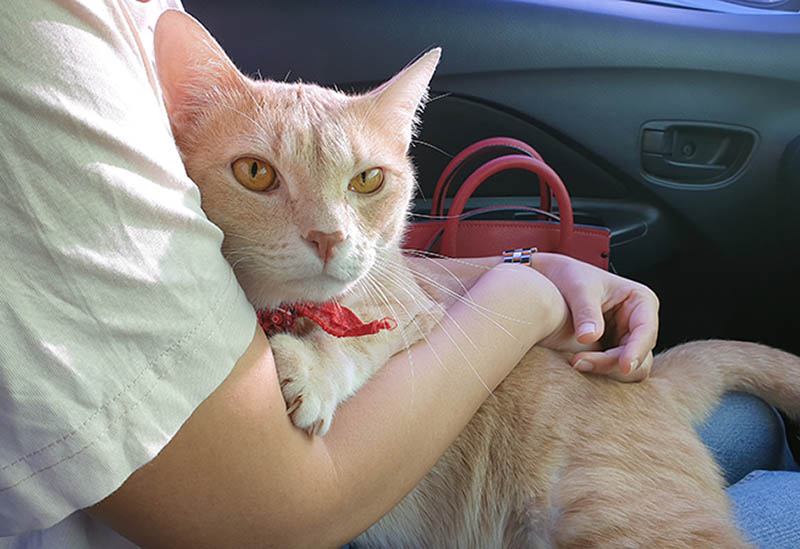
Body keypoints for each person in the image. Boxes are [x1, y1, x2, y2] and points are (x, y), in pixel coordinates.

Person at [0, 1, 794, 547]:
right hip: (337, 504)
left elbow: (401, 301)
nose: (329, 234)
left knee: (746, 431)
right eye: (256, 174)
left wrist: (526, 264)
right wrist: (524, 292)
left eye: (370, 182)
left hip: (547, 445)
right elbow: (265, 513)